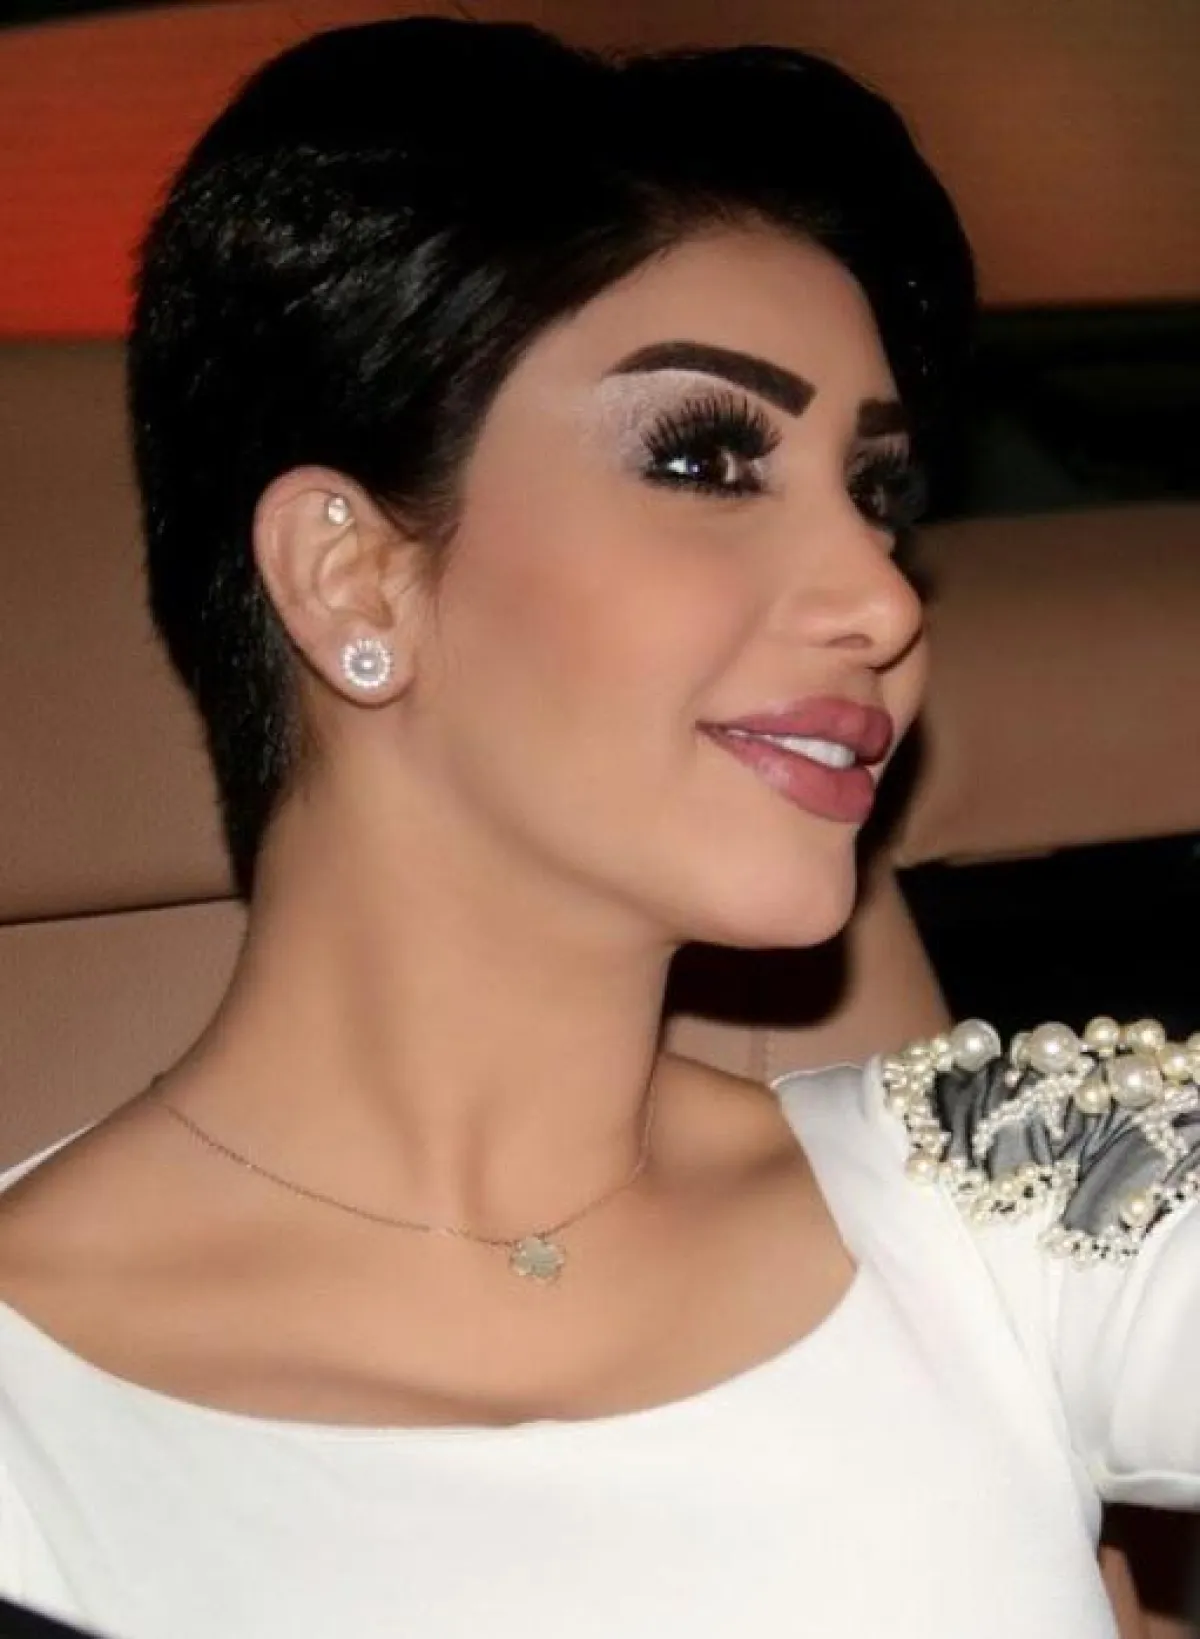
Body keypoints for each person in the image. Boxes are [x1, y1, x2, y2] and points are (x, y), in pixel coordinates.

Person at [0, 16, 1194, 1639]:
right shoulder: (30, 1417)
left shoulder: (1008, 1183)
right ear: (354, 578)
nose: (879, 594)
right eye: (708, 457)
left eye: (876, 494)